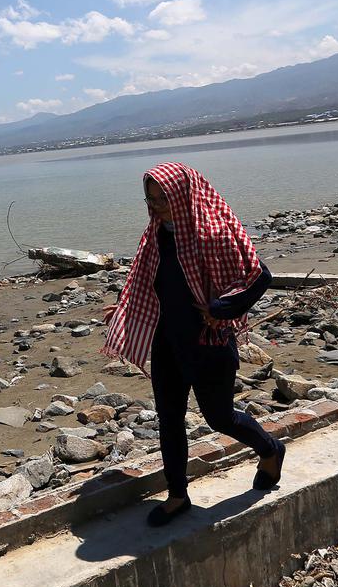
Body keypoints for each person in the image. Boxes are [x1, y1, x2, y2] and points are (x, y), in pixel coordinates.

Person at [102, 162, 284, 527]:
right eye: (150, 199)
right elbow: (149, 281)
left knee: (219, 418)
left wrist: (222, 308)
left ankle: (270, 448)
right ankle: (178, 495)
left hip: (208, 344)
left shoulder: (213, 232)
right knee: (169, 420)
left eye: (163, 199)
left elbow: (259, 275)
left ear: (182, 195)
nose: (156, 206)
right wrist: (124, 310)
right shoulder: (155, 233)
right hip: (166, 342)